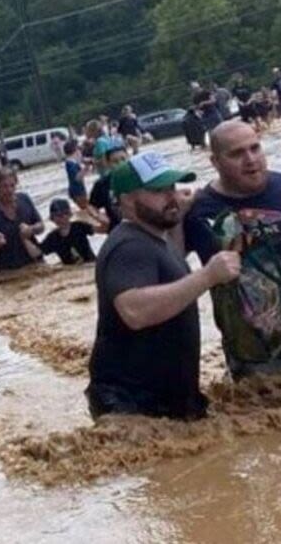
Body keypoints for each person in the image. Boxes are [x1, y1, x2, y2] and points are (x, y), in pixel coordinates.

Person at [183, 122, 281, 378]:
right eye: (236, 154)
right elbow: (164, 265)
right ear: (215, 161)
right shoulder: (197, 212)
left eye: (255, 148)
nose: (250, 160)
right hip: (256, 361)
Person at [87, 152, 241, 421]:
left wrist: (178, 213)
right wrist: (207, 276)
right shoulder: (129, 246)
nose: (170, 197)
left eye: (171, 187)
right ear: (126, 201)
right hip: (133, 406)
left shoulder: (155, 236)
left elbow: (168, 272)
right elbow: (134, 311)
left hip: (164, 402)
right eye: (158, 191)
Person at [0, 168, 44, 273]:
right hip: (8, 269)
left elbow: (41, 226)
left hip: (35, 260)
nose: (9, 190)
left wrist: (31, 229)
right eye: (4, 186)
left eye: (12, 185)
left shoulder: (24, 199)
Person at [40, 199, 96, 265]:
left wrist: (93, 214)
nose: (62, 218)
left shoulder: (79, 226)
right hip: (71, 270)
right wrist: (25, 238)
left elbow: (98, 229)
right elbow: (39, 252)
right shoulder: (52, 238)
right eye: (58, 216)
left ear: (70, 214)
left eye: (65, 214)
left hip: (91, 263)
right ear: (52, 218)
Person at [89, 143, 129, 232]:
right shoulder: (102, 184)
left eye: (123, 159)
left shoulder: (139, 177)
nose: (120, 163)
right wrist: (100, 217)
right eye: (115, 161)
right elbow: (92, 206)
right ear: (108, 164)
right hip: (118, 230)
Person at [63, 139, 90, 209]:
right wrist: (86, 168)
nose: (80, 152)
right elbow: (77, 178)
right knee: (87, 209)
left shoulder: (73, 162)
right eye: (79, 149)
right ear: (75, 151)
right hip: (77, 192)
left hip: (78, 190)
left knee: (87, 208)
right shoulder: (70, 164)